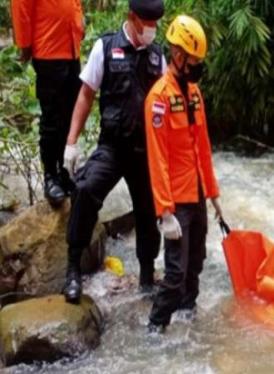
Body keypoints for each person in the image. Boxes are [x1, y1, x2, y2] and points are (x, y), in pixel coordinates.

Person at [61, 0, 166, 304]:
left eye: (155, 23)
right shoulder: (105, 47)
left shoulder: (157, 57)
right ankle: (72, 270)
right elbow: (85, 95)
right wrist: (71, 143)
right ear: (132, 17)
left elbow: (167, 107)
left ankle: (147, 275)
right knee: (85, 188)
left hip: (144, 149)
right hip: (112, 146)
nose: (152, 29)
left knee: (149, 211)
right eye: (148, 22)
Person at [143, 15, 223, 331]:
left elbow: (202, 147)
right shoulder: (158, 99)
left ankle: (189, 315)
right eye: (194, 60)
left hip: (198, 194)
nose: (198, 66)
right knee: (174, 275)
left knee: (195, 265)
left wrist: (214, 196)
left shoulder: (194, 94)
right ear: (178, 57)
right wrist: (164, 212)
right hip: (175, 202)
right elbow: (157, 158)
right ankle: (155, 327)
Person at [10, 0, 84, 205]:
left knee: (71, 113)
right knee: (52, 118)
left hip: (71, 48)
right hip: (48, 48)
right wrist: (24, 44)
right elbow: (21, 5)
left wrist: (78, 24)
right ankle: (50, 176)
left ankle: (65, 172)